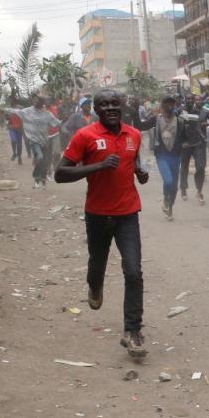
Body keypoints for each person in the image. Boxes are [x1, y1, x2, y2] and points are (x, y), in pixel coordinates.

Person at [55, 90, 151, 358]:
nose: (110, 108)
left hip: (128, 213)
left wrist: (139, 172)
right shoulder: (85, 136)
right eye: (104, 104)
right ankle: (95, 285)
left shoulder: (134, 134)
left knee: (133, 272)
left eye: (114, 103)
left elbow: (131, 162)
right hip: (97, 214)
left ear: (122, 106)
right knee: (97, 264)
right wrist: (97, 167)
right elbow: (60, 174)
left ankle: (133, 331)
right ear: (95, 109)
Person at [3, 96, 62, 189]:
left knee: (43, 161)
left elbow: (57, 123)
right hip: (33, 140)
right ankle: (36, 177)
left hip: (44, 141)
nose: (35, 102)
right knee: (40, 157)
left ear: (42, 103)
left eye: (37, 100)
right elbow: (15, 111)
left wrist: (65, 123)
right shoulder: (27, 111)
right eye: (34, 100)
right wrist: (2, 109)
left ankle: (41, 179)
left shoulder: (47, 114)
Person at [146, 96, 187, 220]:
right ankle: (165, 199)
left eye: (172, 104)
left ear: (174, 105)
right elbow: (140, 125)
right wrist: (133, 110)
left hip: (176, 156)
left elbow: (185, 137)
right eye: (167, 104)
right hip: (162, 156)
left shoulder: (180, 121)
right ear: (162, 106)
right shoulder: (156, 119)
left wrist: (185, 143)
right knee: (168, 181)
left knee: (174, 186)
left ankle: (170, 209)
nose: (170, 106)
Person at [179, 95, 209, 205]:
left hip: (198, 143)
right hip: (185, 145)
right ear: (185, 100)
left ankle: (199, 191)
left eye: (192, 99)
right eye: (188, 98)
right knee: (184, 167)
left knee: (201, 167)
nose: (190, 100)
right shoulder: (180, 112)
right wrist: (181, 142)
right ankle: (183, 189)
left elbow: (200, 126)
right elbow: (177, 128)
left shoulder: (199, 112)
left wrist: (203, 137)